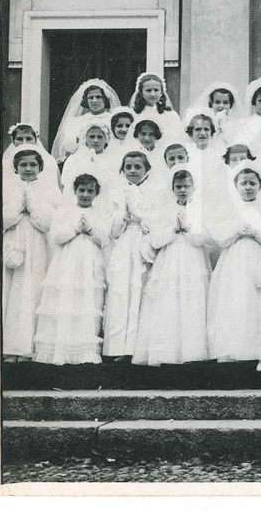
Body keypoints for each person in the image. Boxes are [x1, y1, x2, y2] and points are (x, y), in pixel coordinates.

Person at [207, 164, 261, 372]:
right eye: (243, 183)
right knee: (235, 303)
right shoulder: (229, 209)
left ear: (260, 185)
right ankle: (232, 350)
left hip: (260, 259)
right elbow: (220, 237)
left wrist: (257, 233)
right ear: (236, 186)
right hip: (234, 261)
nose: (248, 187)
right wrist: (237, 231)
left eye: (252, 183)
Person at [132, 167, 211, 366]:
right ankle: (167, 353)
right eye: (178, 187)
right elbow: (156, 240)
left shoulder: (199, 209)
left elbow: (206, 238)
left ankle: (192, 353)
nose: (183, 190)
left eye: (186, 186)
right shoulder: (165, 211)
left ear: (193, 188)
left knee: (191, 301)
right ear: (173, 189)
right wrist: (174, 230)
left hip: (192, 258)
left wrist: (189, 229)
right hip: (169, 259)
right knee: (168, 301)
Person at [32, 174, 111, 365]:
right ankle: (61, 351)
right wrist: (76, 228)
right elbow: (57, 237)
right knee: (66, 303)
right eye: (81, 190)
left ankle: (84, 353)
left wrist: (90, 229)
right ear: (75, 191)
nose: (85, 194)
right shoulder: (64, 211)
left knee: (87, 302)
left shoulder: (101, 212)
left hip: (90, 262)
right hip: (67, 263)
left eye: (90, 191)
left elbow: (105, 239)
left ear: (96, 193)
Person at [2, 147, 60, 361]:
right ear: (16, 167)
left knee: (31, 290)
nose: (28, 169)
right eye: (23, 165)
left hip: (37, 245)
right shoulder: (7, 187)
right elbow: (2, 219)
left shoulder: (49, 190)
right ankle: (9, 347)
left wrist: (33, 206)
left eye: (32, 165)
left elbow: (48, 222)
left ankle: (28, 348)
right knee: (11, 292)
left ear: (40, 167)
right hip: (13, 240)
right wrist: (18, 206)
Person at [103, 151, 162, 362]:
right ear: (122, 170)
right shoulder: (116, 192)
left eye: (138, 167)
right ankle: (119, 348)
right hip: (124, 242)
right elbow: (110, 229)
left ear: (147, 170)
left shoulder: (154, 192)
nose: (133, 171)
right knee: (121, 289)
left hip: (143, 241)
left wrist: (141, 217)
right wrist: (121, 218)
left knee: (140, 286)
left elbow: (156, 218)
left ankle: (138, 348)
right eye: (128, 167)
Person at [51, 79, 122, 163]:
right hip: (82, 162)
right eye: (91, 98)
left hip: (109, 162)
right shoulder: (77, 122)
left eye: (98, 97)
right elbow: (70, 147)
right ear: (86, 100)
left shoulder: (113, 119)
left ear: (105, 99)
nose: (94, 101)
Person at [61, 120, 115, 204]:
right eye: (92, 137)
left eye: (100, 137)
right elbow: (68, 187)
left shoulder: (112, 160)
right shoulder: (74, 159)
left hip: (105, 202)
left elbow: (114, 185)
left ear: (106, 139)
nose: (96, 140)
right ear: (85, 139)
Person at [129, 72, 182, 146]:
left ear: (161, 92)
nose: (152, 94)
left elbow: (177, 138)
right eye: (148, 90)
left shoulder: (171, 115)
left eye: (156, 90)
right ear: (141, 92)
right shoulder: (132, 114)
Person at [190, 81, 243, 148]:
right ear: (211, 104)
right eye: (217, 102)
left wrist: (223, 126)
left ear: (231, 105)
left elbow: (235, 142)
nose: (221, 106)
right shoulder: (206, 122)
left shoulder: (235, 123)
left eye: (225, 103)